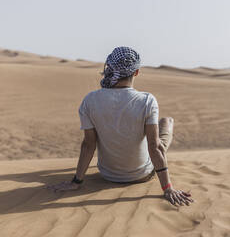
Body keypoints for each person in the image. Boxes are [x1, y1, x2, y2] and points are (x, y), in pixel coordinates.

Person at [48, 47, 193, 206]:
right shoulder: (147, 100)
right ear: (136, 72)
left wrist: (76, 181)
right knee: (166, 122)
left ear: (109, 68)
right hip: (142, 174)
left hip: (107, 175)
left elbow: (89, 144)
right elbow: (155, 146)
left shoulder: (89, 100)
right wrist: (168, 189)